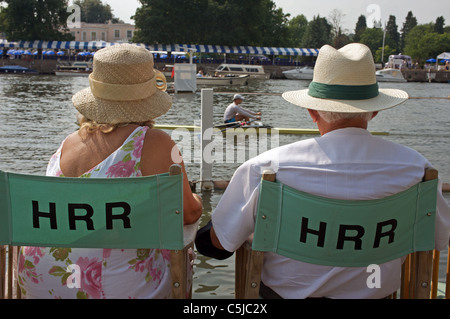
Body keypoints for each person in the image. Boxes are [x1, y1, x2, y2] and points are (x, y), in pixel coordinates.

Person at [196, 43, 450, 299]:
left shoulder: (266, 169)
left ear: (312, 111)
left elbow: (218, 245)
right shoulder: (417, 170)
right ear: (374, 111)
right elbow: (440, 237)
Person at [18, 44, 202, 299]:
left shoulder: (69, 142)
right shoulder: (155, 142)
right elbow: (188, 213)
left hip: (39, 277)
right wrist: (198, 200)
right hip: (108, 283)